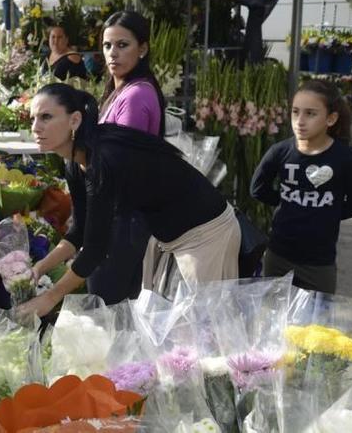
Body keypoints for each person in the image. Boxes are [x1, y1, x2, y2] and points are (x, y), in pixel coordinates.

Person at [18, 83, 240, 317]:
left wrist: (49, 298)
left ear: (74, 120)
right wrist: (39, 268)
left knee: (209, 327)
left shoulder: (103, 159)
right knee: (168, 331)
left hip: (206, 234)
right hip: (169, 238)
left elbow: (95, 249)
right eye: (32, 118)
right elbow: (80, 231)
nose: (35, 127)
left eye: (45, 117)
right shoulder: (75, 162)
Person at [69, 10, 167, 304]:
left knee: (107, 309)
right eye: (108, 45)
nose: (113, 53)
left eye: (123, 45)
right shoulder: (120, 89)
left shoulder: (136, 95)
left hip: (124, 218)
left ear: (143, 48)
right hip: (120, 215)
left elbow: (116, 166)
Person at [251, 80, 352, 293]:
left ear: (331, 119)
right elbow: (257, 188)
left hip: (319, 263)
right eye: (295, 112)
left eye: (310, 114)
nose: (300, 121)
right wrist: (287, 203)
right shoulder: (280, 151)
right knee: (272, 315)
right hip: (278, 255)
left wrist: (326, 212)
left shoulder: (347, 159)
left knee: (318, 320)